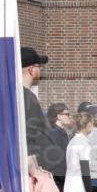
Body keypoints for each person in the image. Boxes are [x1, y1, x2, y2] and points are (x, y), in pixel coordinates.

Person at [20, 46, 63, 179]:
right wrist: (35, 171)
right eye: (39, 66)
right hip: (31, 174)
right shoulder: (26, 97)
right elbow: (29, 137)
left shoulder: (19, 95)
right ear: (31, 69)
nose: (41, 70)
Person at [62, 111, 97, 192]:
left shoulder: (72, 141)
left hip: (69, 188)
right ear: (88, 124)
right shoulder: (83, 143)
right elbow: (85, 170)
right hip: (79, 191)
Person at [47, 102, 72, 192]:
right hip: (58, 176)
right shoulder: (54, 132)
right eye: (67, 114)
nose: (69, 117)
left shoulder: (62, 131)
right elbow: (57, 156)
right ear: (58, 116)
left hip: (62, 174)